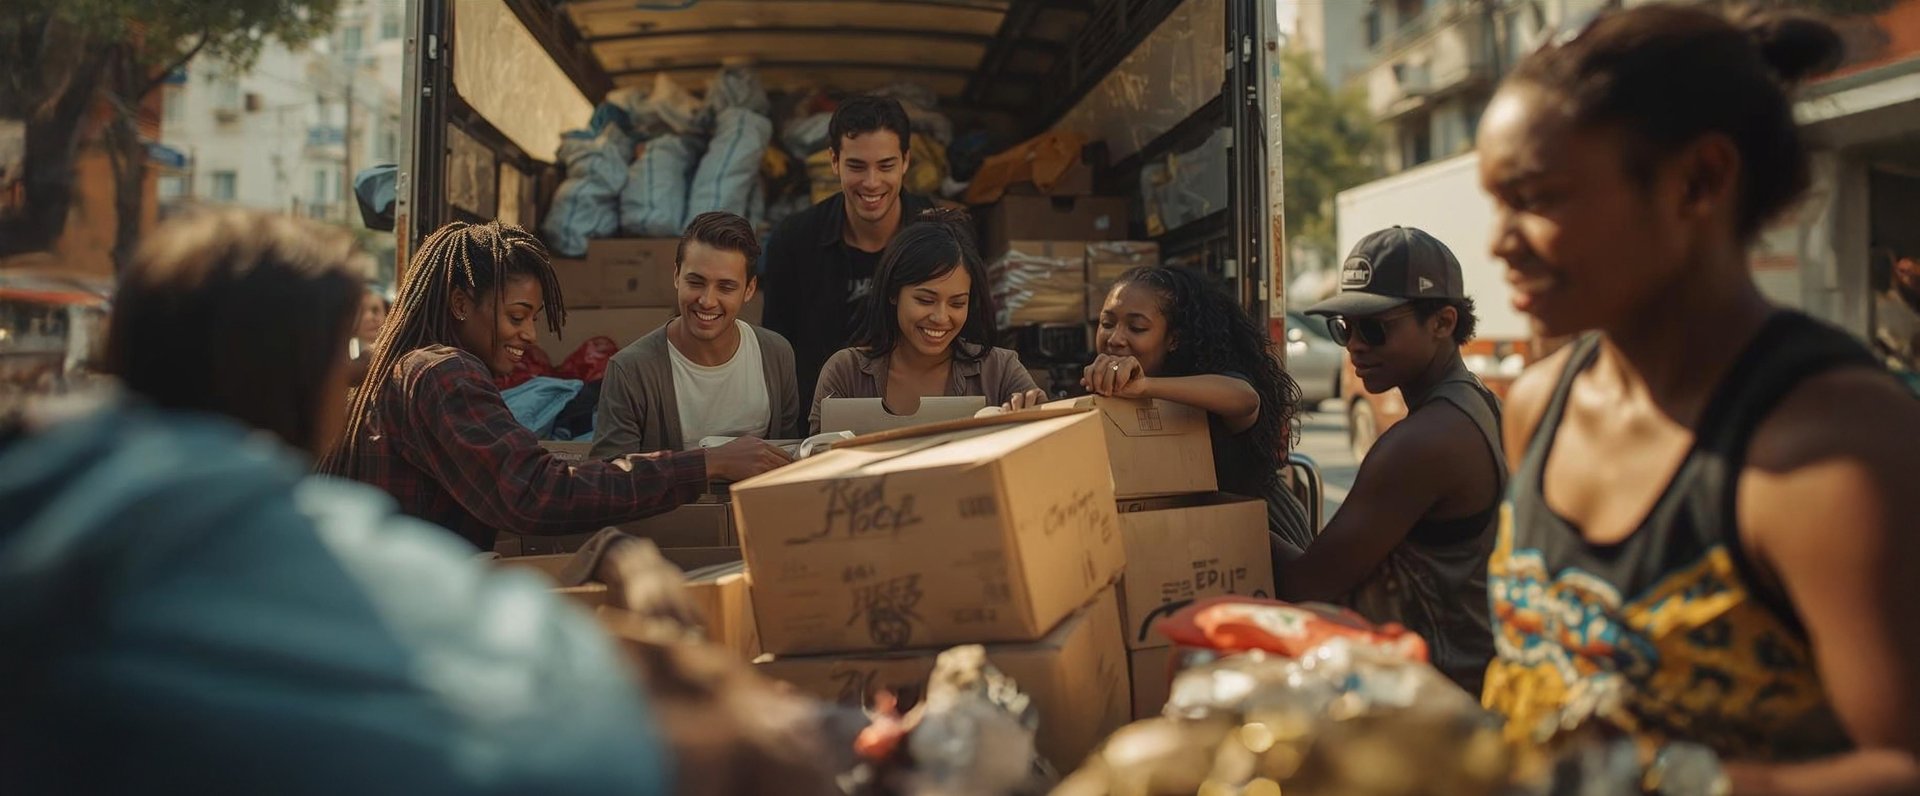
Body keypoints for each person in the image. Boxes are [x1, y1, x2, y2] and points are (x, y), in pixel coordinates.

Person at [1, 209, 676, 793]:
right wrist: (647, 532)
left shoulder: (59, 531)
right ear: (291, 377)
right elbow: (596, 748)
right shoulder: (343, 569)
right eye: (338, 355)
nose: (352, 373)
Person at [1476, 5, 1920, 789]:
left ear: (1699, 181)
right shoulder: (1537, 405)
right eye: (1496, 202)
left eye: (1537, 197)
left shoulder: (1831, 444)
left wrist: (1652, 781)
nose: (1499, 242)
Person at [322, 220, 789, 551]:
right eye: (516, 317)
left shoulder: (407, 367)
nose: (530, 335)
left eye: (533, 319)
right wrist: (706, 463)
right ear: (462, 305)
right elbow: (537, 494)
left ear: (749, 290)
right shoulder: (443, 374)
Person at [1287, 226, 1505, 697]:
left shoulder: (1422, 442)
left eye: (1374, 328)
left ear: (1442, 322)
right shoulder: (1475, 402)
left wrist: (1235, 515)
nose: (1354, 345)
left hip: (1437, 694)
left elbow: (1305, 585)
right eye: (1343, 328)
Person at [1087, 265, 1316, 562]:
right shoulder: (1103, 392)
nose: (1115, 338)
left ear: (1174, 338)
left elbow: (1246, 399)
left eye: (1137, 328)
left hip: (1258, 541)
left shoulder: (1206, 387)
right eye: (1107, 323)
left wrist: (1146, 386)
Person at [762, 95, 936, 402]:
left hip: (922, 413)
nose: (872, 182)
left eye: (886, 166)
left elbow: (970, 339)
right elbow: (776, 352)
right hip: (820, 416)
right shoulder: (793, 240)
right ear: (834, 161)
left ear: (906, 161)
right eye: (856, 166)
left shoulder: (941, 235)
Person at [810, 208, 1044, 434]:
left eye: (957, 303)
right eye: (925, 300)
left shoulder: (1000, 371)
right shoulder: (846, 373)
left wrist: (1039, 418)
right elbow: (815, 455)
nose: (941, 318)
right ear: (893, 292)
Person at [592, 212, 802, 457]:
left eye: (725, 287)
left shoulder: (776, 355)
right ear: (676, 276)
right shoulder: (630, 371)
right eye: (696, 282)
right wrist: (713, 463)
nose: (707, 301)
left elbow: (789, 455)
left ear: (749, 289)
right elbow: (609, 474)